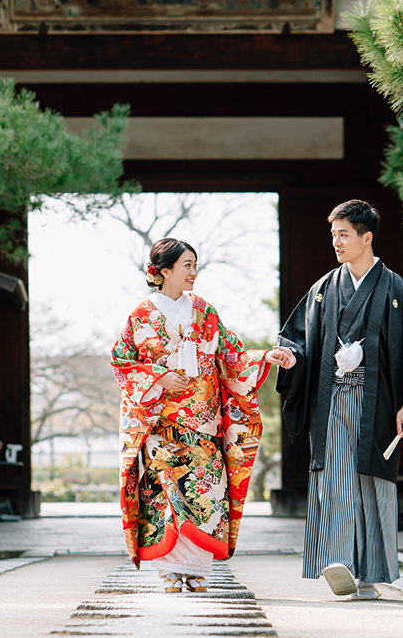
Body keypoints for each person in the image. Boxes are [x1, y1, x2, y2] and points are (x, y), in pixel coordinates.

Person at [267, 200, 403, 600]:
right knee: (334, 479)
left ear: (366, 237)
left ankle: (370, 574)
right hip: (332, 398)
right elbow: (299, 339)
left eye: (344, 235)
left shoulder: (397, 290)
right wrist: (291, 356)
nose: (337, 243)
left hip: (379, 401)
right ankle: (340, 560)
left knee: (370, 483)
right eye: (333, 235)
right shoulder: (323, 290)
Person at [111, 238, 284, 593]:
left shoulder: (206, 312)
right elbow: (121, 361)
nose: (193, 272)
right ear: (164, 271)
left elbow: (231, 357)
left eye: (195, 264)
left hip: (203, 424)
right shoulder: (140, 316)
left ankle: (196, 569)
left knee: (207, 495)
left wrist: (264, 357)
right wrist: (158, 376)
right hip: (162, 427)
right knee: (166, 496)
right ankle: (171, 573)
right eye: (187, 265)